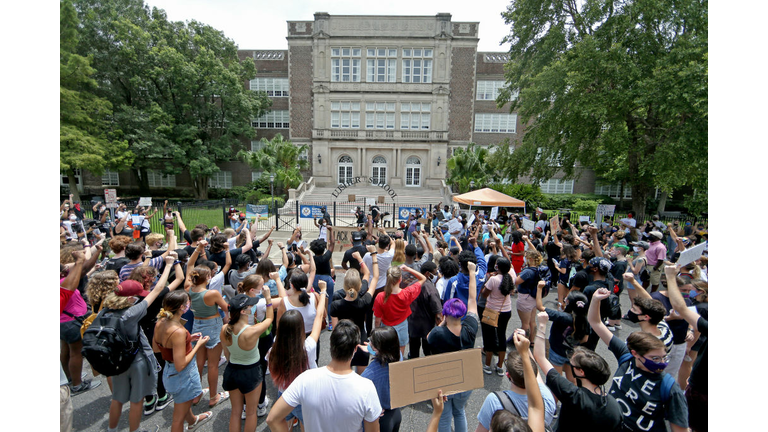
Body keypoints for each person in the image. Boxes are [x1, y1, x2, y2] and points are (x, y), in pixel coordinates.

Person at [587, 287, 689, 432]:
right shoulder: (662, 327)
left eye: (664, 357)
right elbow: (596, 322)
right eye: (655, 358)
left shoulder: (669, 387)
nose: (662, 362)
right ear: (635, 353)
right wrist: (596, 299)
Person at [266, 320, 382, 432]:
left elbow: (272, 419)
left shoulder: (305, 379)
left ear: (331, 345)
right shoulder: (367, 388)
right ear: (355, 349)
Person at [533, 311, 623, 431]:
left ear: (581, 372)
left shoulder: (572, 394)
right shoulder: (614, 406)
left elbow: (540, 357)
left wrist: (542, 325)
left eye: (573, 364)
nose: (570, 364)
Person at [102, 274, 169, 432]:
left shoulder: (105, 311)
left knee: (117, 398)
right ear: (131, 298)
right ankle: (135, 430)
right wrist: (169, 264)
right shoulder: (132, 312)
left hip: (116, 359)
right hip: (135, 360)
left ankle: (112, 429)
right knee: (137, 399)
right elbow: (158, 289)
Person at [268, 281, 328, 430]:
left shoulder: (275, 346)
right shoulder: (308, 347)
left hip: (284, 393)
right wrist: (323, 291)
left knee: (284, 420)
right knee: (305, 424)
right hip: (305, 396)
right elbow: (319, 316)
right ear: (301, 328)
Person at [428, 262, 480, 432]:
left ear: (445, 314)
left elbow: (428, 338)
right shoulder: (470, 328)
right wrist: (472, 273)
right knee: (459, 412)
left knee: (444, 415)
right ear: (463, 313)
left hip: (444, 379)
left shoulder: (437, 334)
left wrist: (442, 323)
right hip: (465, 379)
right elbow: (473, 299)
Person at [153, 291, 213, 432]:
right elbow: (180, 365)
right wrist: (197, 345)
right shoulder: (178, 331)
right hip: (182, 376)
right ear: (181, 307)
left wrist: (187, 340)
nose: (189, 304)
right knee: (177, 418)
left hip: (168, 372)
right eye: (188, 302)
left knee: (183, 403)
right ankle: (190, 422)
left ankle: (193, 420)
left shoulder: (160, 322)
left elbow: (157, 348)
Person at [475, 330, 556, 432]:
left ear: (508, 375)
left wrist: (524, 351)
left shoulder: (494, 401)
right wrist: (525, 351)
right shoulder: (546, 398)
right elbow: (535, 406)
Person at [185, 241, 230, 408]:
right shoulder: (212, 293)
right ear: (208, 278)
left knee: (199, 362)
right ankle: (213, 396)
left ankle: (196, 394)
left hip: (197, 326)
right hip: (213, 326)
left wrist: (198, 249)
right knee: (212, 365)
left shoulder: (189, 288)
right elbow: (226, 308)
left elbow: (190, 264)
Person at [220, 292, 273, 432]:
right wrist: (268, 299)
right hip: (251, 372)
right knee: (251, 412)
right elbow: (269, 318)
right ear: (243, 311)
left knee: (236, 412)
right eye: (250, 306)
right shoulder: (252, 331)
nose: (252, 308)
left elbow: (226, 353)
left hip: (232, 370)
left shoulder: (224, 329)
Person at [331, 247, 378, 373]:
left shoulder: (336, 304)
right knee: (361, 377)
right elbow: (373, 276)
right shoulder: (364, 299)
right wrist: (363, 258)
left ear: (344, 285)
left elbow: (335, 330)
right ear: (359, 285)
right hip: (360, 339)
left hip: (343, 341)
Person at [373, 265, 427, 356]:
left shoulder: (380, 297)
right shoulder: (407, 293)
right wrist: (408, 269)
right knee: (400, 353)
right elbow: (423, 278)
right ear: (400, 279)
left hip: (386, 328)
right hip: (402, 325)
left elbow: (377, 320)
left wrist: (377, 333)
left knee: (386, 353)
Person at [360, 326, 403, 432]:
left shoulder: (370, 373)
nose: (369, 344)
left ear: (378, 349)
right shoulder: (399, 357)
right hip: (395, 414)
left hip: (380, 421)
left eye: (372, 343)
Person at [480, 257, 516, 376]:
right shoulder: (509, 278)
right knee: (501, 336)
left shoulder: (493, 279)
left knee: (489, 337)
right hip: (506, 310)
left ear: (497, 267)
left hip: (491, 311)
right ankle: (500, 366)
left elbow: (484, 294)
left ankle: (487, 365)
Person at [621, 274, 674, 354]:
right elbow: (651, 302)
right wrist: (633, 281)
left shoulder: (640, 344)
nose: (631, 310)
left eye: (634, 309)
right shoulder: (664, 329)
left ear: (646, 317)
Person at [407, 261, 443, 358]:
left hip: (413, 325)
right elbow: (438, 314)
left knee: (413, 352)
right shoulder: (431, 289)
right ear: (427, 273)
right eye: (434, 273)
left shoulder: (411, 285)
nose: (436, 275)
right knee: (428, 353)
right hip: (427, 328)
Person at [553, 244, 578, 311]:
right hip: (570, 280)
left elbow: (563, 271)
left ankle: (559, 312)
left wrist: (557, 267)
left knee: (560, 298)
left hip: (563, 279)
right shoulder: (573, 259)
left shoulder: (564, 260)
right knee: (567, 298)